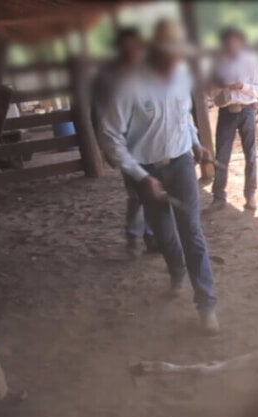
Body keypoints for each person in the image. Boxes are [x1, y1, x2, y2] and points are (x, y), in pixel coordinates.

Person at [99, 19, 219, 334]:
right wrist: (141, 176)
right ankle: (177, 272)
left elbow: (184, 116)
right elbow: (110, 136)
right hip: (147, 170)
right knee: (165, 233)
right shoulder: (129, 85)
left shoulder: (181, 76)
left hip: (180, 163)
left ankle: (206, 305)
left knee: (192, 231)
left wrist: (195, 144)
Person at [91, 27, 156, 256]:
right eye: (128, 48)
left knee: (150, 188)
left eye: (136, 47)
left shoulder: (147, 74)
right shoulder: (108, 78)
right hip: (126, 145)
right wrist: (108, 149)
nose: (133, 52)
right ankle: (135, 234)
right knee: (138, 191)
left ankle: (149, 235)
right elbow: (99, 116)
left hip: (149, 141)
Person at [208, 27, 258, 211]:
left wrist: (243, 87)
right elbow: (210, 92)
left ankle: (250, 194)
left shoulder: (250, 62)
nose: (231, 45)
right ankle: (219, 196)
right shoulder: (218, 64)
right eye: (227, 42)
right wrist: (220, 86)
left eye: (234, 42)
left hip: (247, 109)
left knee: (251, 154)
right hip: (227, 111)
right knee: (222, 155)